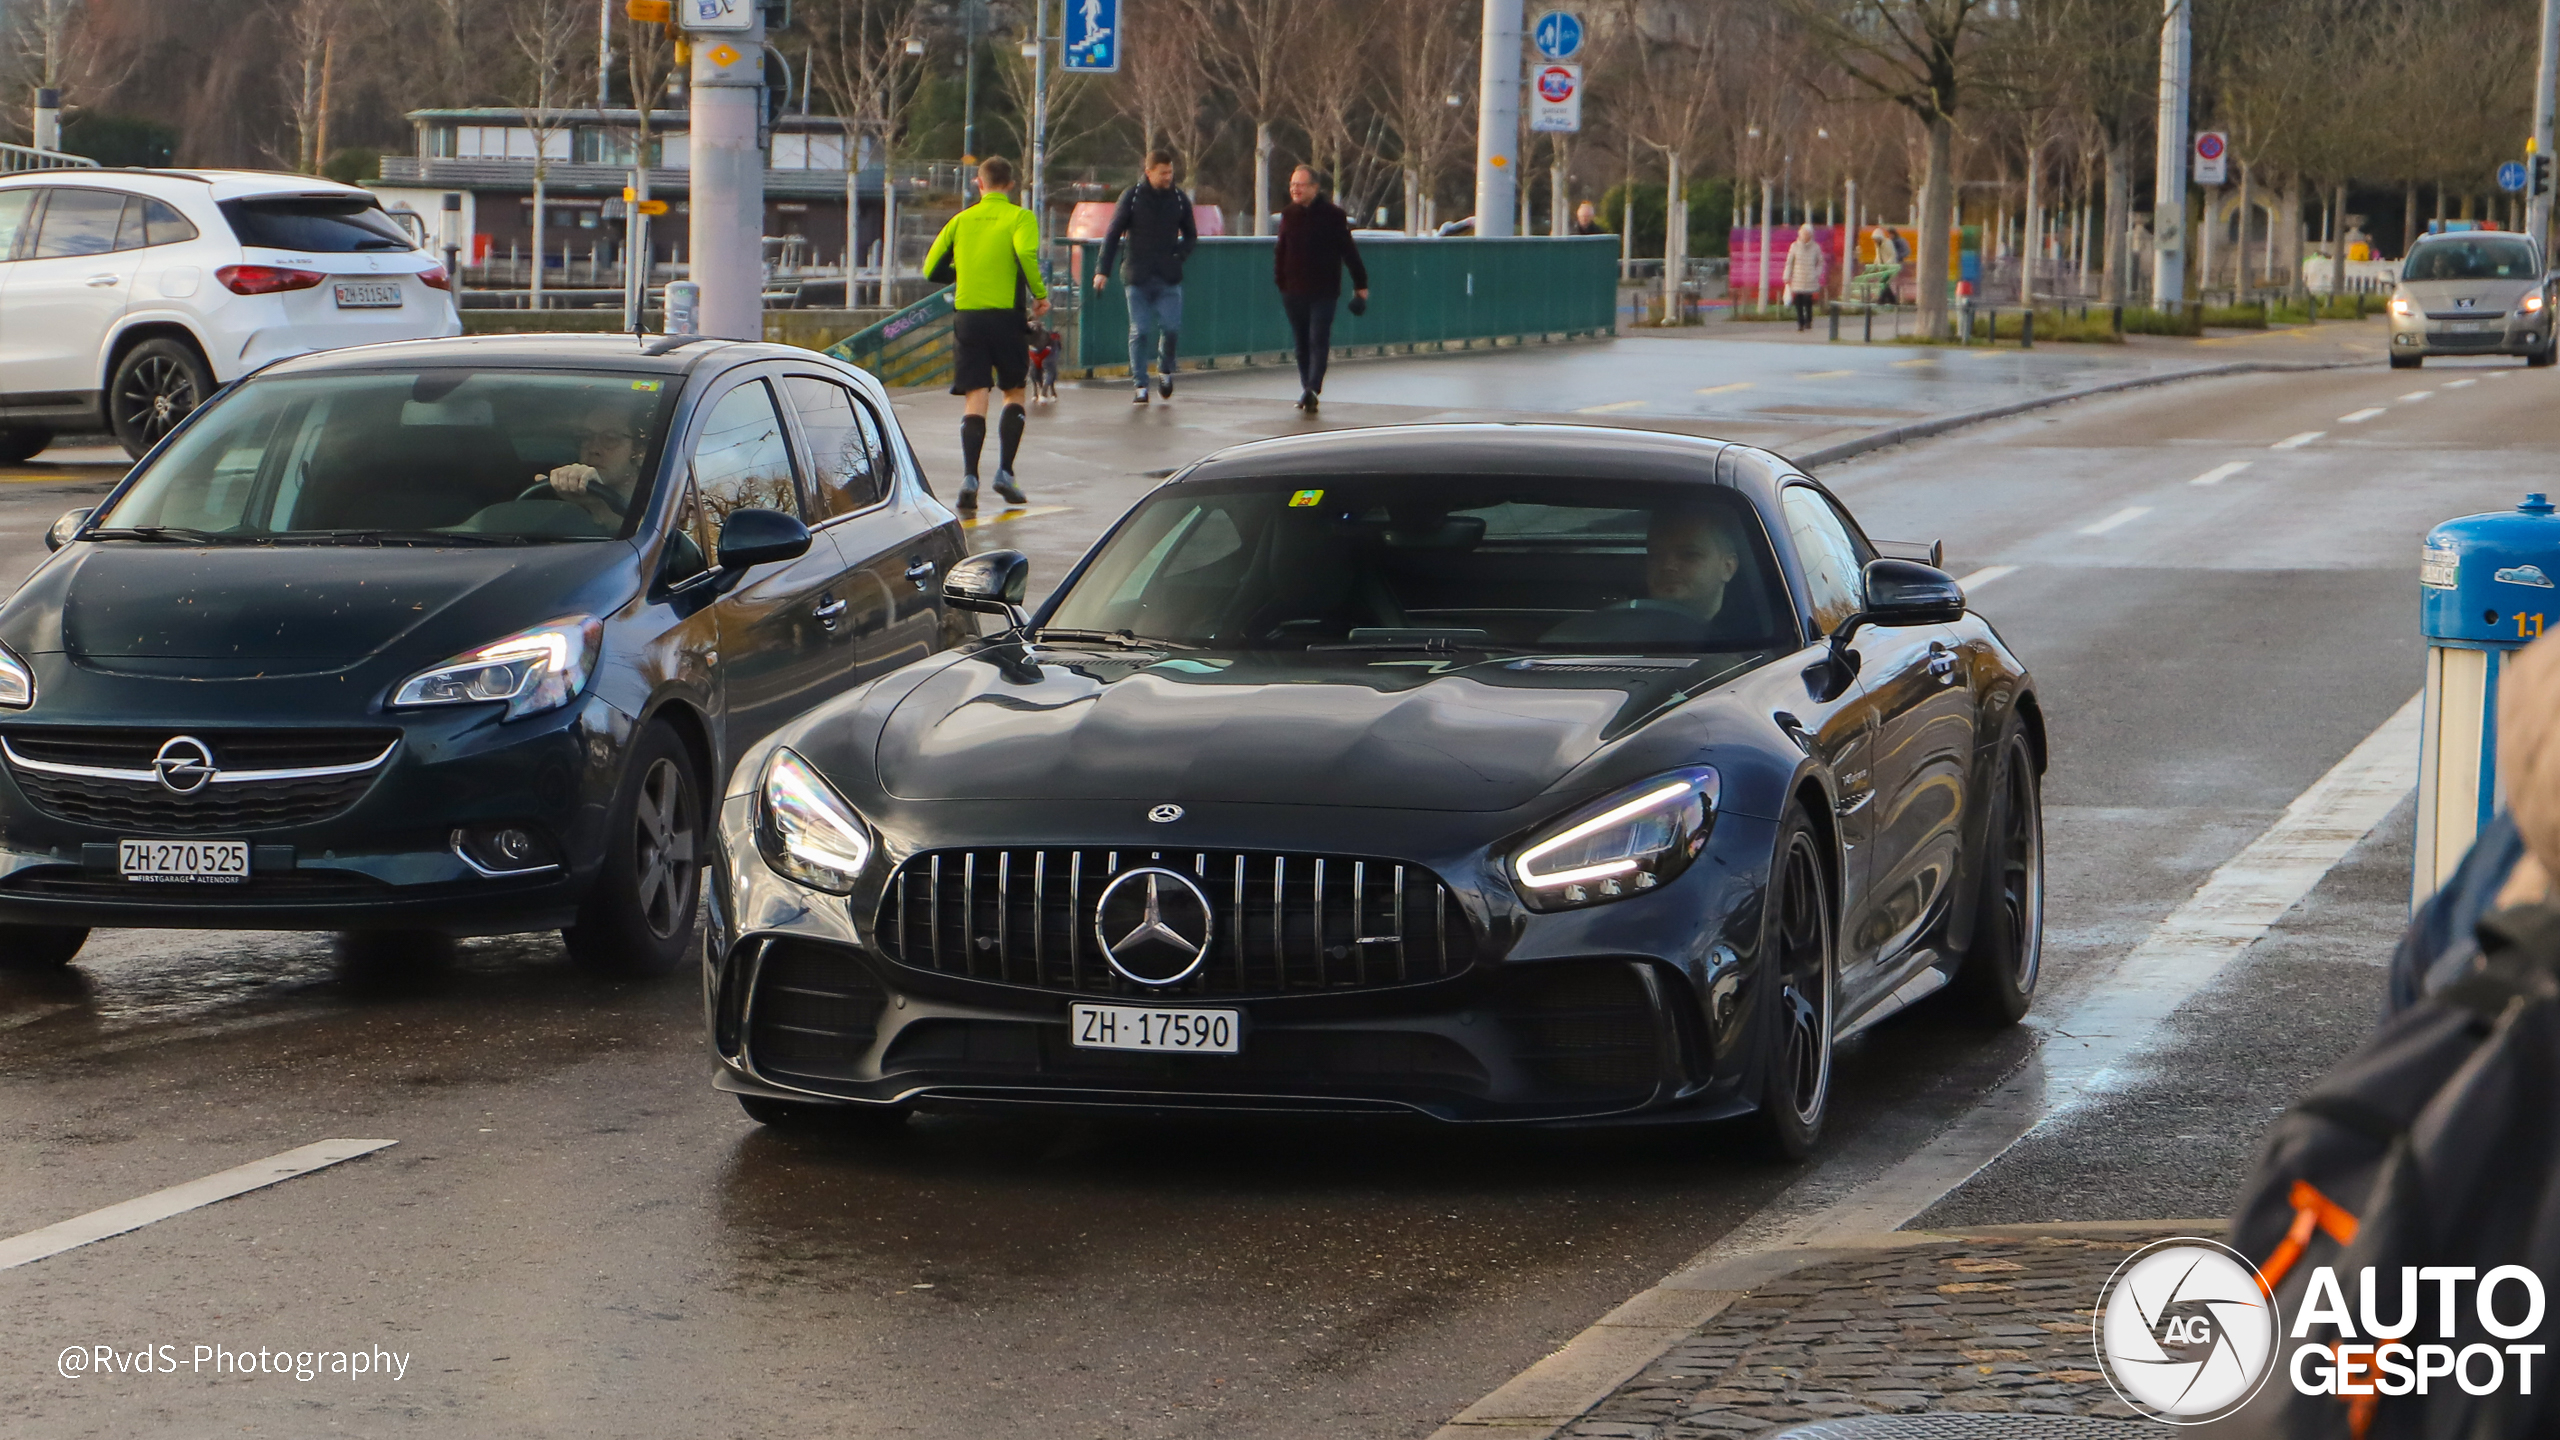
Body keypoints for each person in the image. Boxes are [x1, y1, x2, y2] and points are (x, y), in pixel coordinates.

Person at [919, 155, 1049, 514]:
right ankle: (1005, 472)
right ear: (1010, 185)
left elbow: (931, 268)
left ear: (979, 183)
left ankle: (969, 479)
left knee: (976, 395)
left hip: (968, 318)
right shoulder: (1021, 217)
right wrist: (1039, 294)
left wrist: (965, 274)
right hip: (1006, 318)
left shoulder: (960, 221)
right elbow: (1024, 251)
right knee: (1014, 390)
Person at [1094, 148, 1198, 405]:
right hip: (1137, 274)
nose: (1168, 177)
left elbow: (1191, 234)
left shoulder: (1179, 199)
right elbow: (1113, 233)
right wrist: (1102, 271)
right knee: (1139, 330)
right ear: (1148, 172)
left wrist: (1178, 256)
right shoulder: (1131, 197)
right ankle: (1140, 385)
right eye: (1163, 173)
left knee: (1171, 328)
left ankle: (1164, 369)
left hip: (1168, 277)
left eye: (1170, 172)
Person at [1272, 165, 1368, 412]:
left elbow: (1349, 251)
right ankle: (1307, 389)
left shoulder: (1333, 216)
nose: (1295, 189)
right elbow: (1280, 250)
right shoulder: (1288, 215)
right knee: (1301, 343)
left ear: (1314, 187)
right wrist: (1280, 281)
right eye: (1292, 184)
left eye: (1300, 184)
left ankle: (1314, 387)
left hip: (1323, 291)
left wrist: (1361, 284)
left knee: (1318, 338)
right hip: (1292, 291)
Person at [537, 399, 645, 527]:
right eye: (586, 437)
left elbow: (652, 539)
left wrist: (598, 506)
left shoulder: (665, 504)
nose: (593, 449)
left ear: (639, 451)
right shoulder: (561, 514)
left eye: (610, 438)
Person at [1783, 227, 1828, 331]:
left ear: (1811, 235)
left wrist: (1816, 273)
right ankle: (1800, 322)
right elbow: (1789, 262)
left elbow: (1820, 262)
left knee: (1808, 300)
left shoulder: (1816, 247)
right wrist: (1786, 276)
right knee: (1798, 300)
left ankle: (1809, 320)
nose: (1805, 236)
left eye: (1807, 234)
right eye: (1803, 234)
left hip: (1810, 278)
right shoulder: (1794, 246)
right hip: (1797, 278)